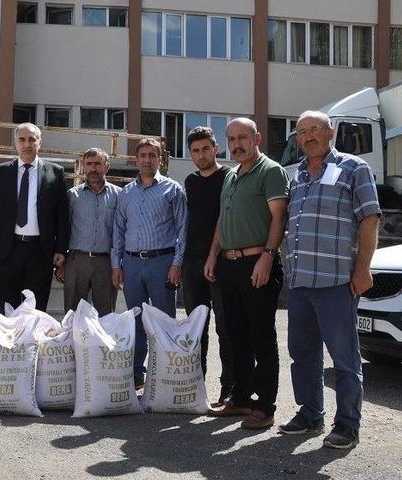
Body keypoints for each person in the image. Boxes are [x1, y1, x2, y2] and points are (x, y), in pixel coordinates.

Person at [278, 111, 381, 449]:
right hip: (300, 282)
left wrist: (363, 268)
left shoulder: (355, 168)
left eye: (314, 130)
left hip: (336, 281)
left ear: (330, 133)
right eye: (301, 132)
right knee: (302, 353)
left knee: (344, 357)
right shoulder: (297, 177)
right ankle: (311, 415)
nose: (307, 137)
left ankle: (348, 424)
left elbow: (369, 218)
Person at [204, 118, 289, 430]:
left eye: (242, 137)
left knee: (262, 337)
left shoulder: (271, 171)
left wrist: (268, 257)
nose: (236, 144)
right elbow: (221, 221)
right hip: (228, 266)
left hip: (257, 263)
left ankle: (265, 406)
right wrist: (213, 255)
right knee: (235, 335)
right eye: (231, 138)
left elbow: (279, 217)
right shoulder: (232, 175)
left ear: (257, 138)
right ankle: (240, 398)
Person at [111, 138, 188, 390]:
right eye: (142, 155)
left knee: (165, 319)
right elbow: (118, 231)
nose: (147, 159)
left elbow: (182, 229)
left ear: (160, 159)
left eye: (152, 155)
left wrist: (177, 263)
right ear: (136, 159)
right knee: (136, 319)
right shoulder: (126, 193)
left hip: (162, 262)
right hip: (132, 263)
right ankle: (137, 372)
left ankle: (166, 369)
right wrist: (116, 264)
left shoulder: (172, 190)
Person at [0, 122, 69, 311]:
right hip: (7, 251)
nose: (27, 144)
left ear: (40, 143)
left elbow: (62, 215)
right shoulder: (1, 172)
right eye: (22, 140)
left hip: (40, 252)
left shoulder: (55, 172)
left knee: (36, 311)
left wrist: (61, 249)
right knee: (7, 309)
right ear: (15, 143)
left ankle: (31, 342)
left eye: (32, 139)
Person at [182, 126, 233, 407]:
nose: (201, 155)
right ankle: (196, 386)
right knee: (195, 329)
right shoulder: (189, 182)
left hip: (222, 262)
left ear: (216, 148)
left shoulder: (229, 178)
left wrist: (214, 255)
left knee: (225, 328)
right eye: (195, 151)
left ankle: (229, 387)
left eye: (205, 149)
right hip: (192, 262)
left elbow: (224, 221)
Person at [57, 148, 120, 315]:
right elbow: (63, 229)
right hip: (77, 261)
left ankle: (102, 342)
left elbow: (122, 232)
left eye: (97, 164)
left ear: (106, 166)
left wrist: (119, 265)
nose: (93, 169)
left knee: (106, 316)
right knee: (72, 314)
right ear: (83, 167)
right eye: (89, 164)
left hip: (106, 263)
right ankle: (72, 342)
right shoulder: (72, 195)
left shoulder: (119, 196)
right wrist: (62, 263)